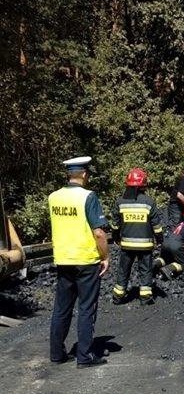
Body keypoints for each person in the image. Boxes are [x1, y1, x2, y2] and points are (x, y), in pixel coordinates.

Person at [48, 156, 109, 368]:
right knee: (86, 308)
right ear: (84, 174)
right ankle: (85, 356)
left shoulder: (53, 197)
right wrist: (106, 257)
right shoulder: (88, 197)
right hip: (86, 260)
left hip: (63, 260)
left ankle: (56, 354)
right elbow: (99, 233)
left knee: (61, 309)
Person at [111, 168, 163, 305]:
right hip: (145, 245)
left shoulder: (120, 202)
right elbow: (157, 226)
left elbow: (115, 225)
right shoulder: (149, 202)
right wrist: (159, 240)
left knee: (123, 270)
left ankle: (118, 296)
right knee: (145, 270)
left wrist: (116, 238)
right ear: (143, 185)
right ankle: (145, 298)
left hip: (126, 245)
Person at [154, 211, 184, 279]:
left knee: (165, 259)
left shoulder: (181, 224)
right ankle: (169, 269)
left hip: (165, 242)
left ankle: (154, 264)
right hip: (176, 245)